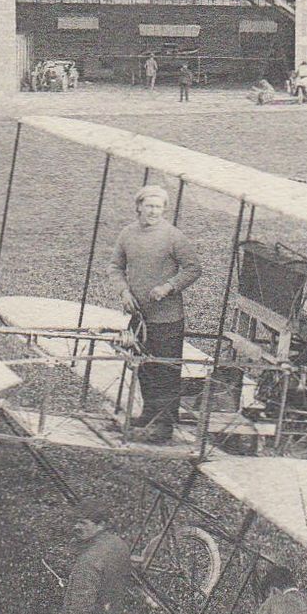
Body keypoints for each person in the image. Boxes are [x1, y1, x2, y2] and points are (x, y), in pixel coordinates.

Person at [106, 185, 202, 443]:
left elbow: (193, 268)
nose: (153, 211)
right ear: (138, 207)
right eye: (149, 206)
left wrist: (168, 287)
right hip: (139, 317)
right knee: (144, 368)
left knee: (165, 371)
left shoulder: (174, 237)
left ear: (164, 210)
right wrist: (124, 292)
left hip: (167, 318)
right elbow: (115, 267)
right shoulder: (127, 234)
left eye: (158, 207)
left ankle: (164, 426)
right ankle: (148, 415)